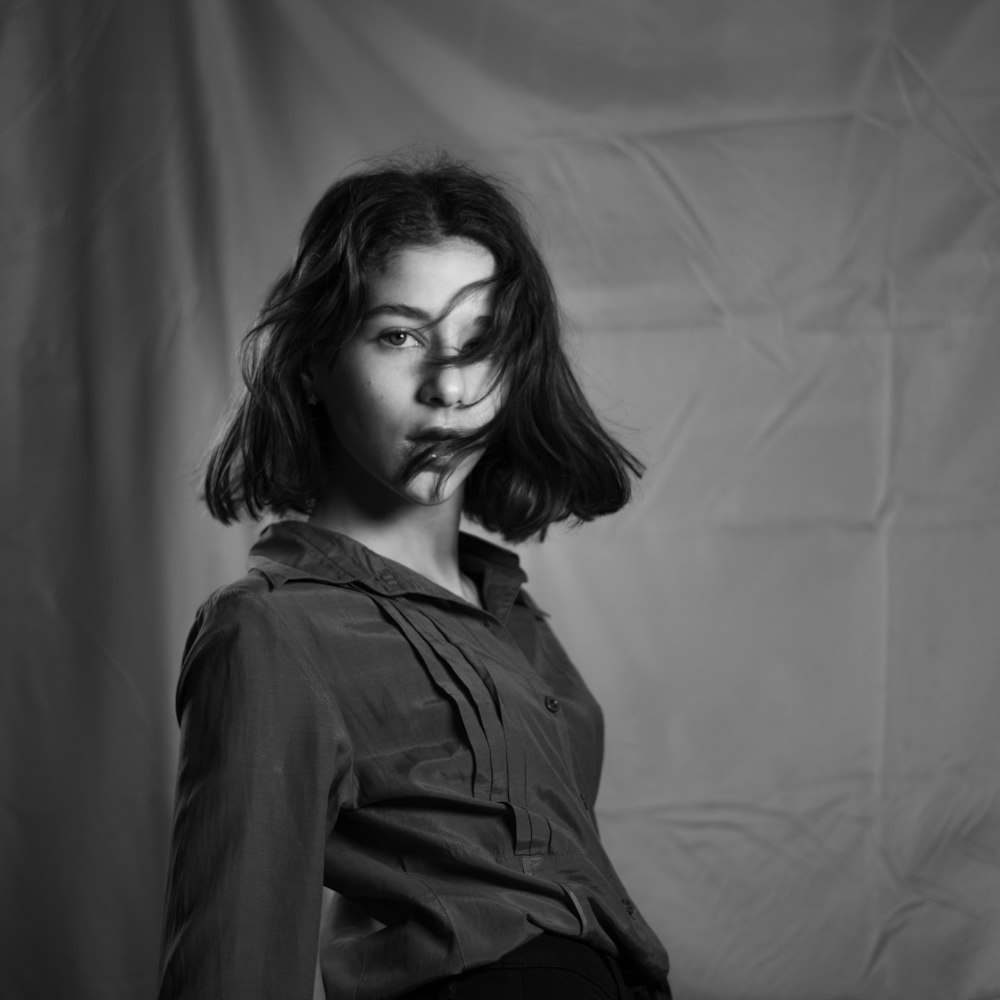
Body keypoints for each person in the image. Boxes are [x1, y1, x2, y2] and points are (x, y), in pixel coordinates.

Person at [157, 154, 672, 1000]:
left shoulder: (516, 619)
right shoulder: (271, 630)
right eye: (400, 336)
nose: (452, 387)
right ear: (313, 366)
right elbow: (230, 969)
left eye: (483, 343)